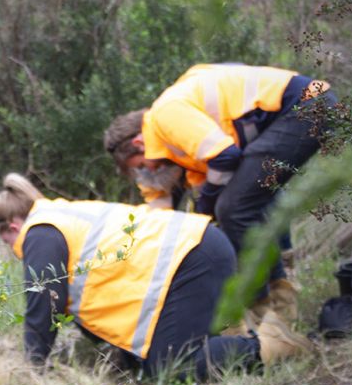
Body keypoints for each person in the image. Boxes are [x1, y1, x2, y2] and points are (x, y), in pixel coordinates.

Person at [0, 173, 312, 380]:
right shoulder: (60, 214)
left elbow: (45, 298)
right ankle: (231, 336)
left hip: (191, 260)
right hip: (201, 250)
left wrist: (32, 367)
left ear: (12, 227)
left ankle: (272, 343)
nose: (15, 249)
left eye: (7, 242)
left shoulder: (39, 232)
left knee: (173, 366)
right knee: (153, 358)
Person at [102, 63, 336, 315]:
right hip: (302, 106)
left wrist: (207, 207)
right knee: (242, 197)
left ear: (139, 142)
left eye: (141, 166)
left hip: (305, 104)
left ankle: (266, 306)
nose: (148, 172)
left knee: (233, 208)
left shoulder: (166, 116)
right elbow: (168, 213)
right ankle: (281, 288)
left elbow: (225, 157)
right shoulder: (178, 149)